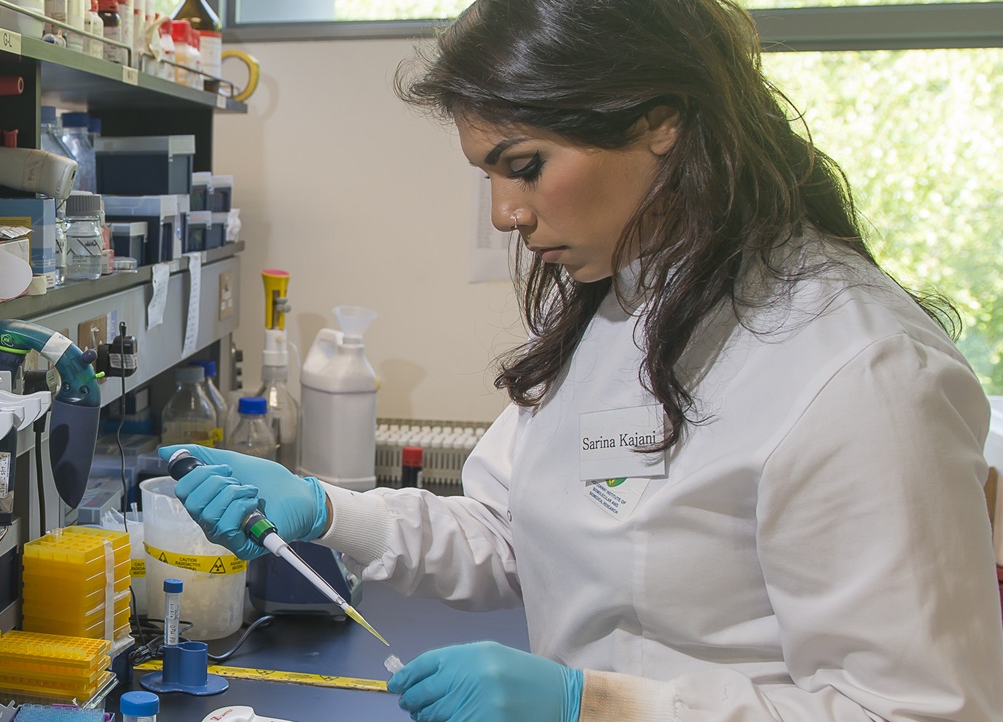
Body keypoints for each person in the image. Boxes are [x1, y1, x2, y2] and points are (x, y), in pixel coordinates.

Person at [160, 0, 1003, 719]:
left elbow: (913, 710)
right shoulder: (619, 302)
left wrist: (592, 703)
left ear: (659, 119)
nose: (502, 215)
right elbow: (509, 529)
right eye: (487, 175)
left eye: (524, 167)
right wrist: (325, 511)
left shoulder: (861, 370)